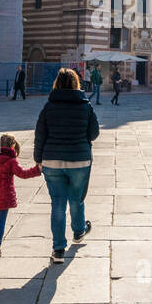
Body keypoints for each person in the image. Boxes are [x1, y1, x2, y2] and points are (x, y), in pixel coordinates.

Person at [34, 68, 100, 264]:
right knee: (76, 199)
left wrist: (38, 159)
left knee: (58, 204)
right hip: (79, 160)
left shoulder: (49, 106)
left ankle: (58, 249)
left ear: (57, 84)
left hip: (52, 161)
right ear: (76, 83)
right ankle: (79, 232)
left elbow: (40, 135)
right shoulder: (86, 106)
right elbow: (94, 133)